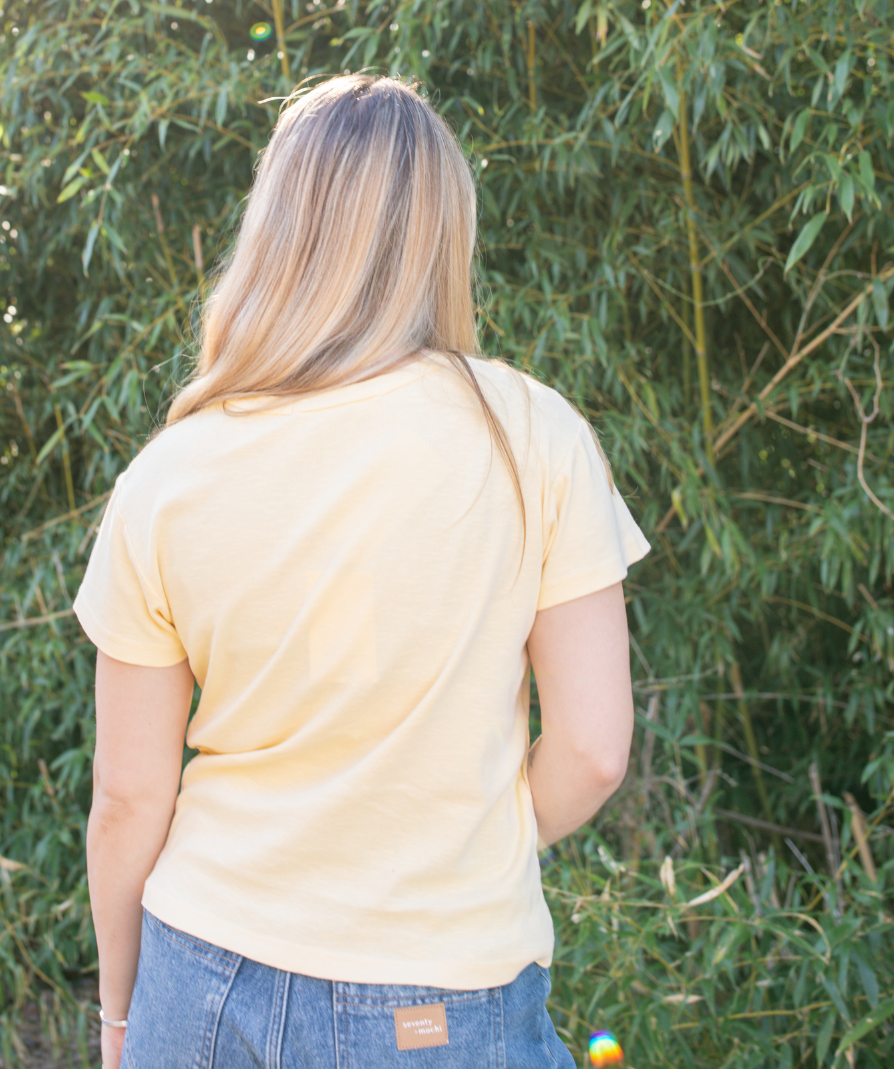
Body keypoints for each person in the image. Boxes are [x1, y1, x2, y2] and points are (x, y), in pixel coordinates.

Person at [74, 73, 649, 1069]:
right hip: (440, 1000)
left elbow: (128, 797)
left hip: (199, 976)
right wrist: (466, 845)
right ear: (444, 234)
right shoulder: (535, 436)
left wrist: (121, 1013)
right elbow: (594, 751)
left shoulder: (169, 472)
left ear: (276, 230)